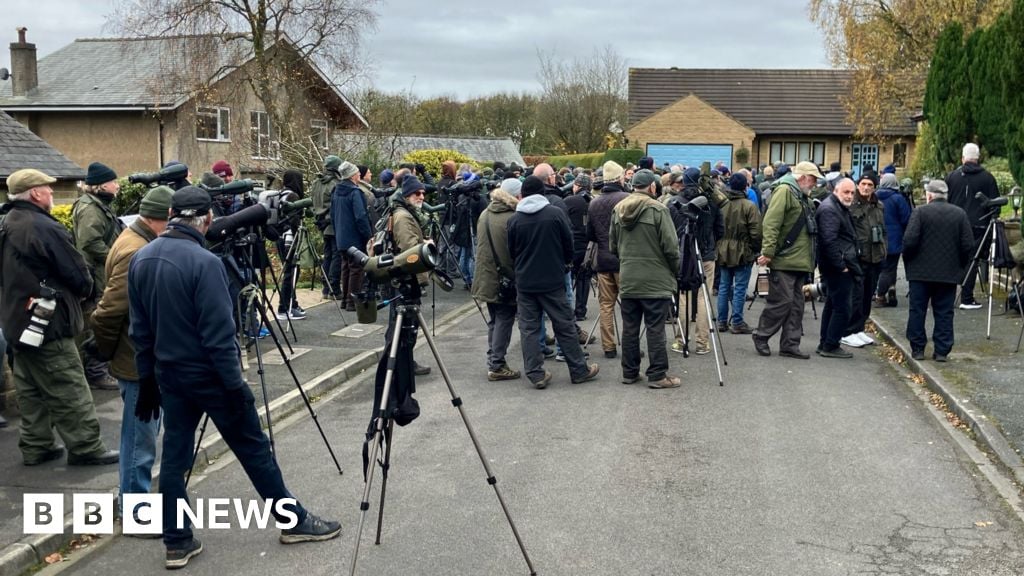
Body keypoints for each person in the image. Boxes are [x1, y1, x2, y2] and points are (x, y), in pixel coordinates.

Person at [128, 186, 341, 569]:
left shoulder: (142, 258)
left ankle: (176, 541)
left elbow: (140, 330)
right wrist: (234, 385)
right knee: (253, 450)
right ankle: (292, 521)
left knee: (174, 459)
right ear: (207, 220)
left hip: (169, 375)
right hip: (210, 376)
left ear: (173, 214)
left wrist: (147, 380)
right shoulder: (204, 263)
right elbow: (219, 336)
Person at [0, 169, 119, 466]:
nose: (53, 194)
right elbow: (76, 272)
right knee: (68, 384)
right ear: (36, 194)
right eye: (48, 189)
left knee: (31, 389)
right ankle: (86, 447)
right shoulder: (41, 227)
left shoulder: (7, 223)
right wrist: (87, 290)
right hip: (48, 321)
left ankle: (36, 445)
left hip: (17, 319)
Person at [90, 186, 173, 525]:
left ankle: (136, 501)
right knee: (140, 441)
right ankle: (135, 509)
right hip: (135, 359)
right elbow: (110, 311)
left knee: (141, 436)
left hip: (134, 355)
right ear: (162, 219)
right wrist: (108, 351)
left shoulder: (134, 240)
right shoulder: (135, 250)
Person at [507, 176, 600, 389]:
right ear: (542, 192)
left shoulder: (515, 219)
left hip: (526, 281)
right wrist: (565, 263)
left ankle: (535, 373)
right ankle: (578, 369)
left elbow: (511, 251)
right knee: (564, 325)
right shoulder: (555, 214)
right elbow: (568, 244)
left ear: (523, 194)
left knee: (529, 328)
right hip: (552, 279)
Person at [609, 170, 681, 389]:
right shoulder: (659, 210)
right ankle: (658, 375)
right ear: (652, 187)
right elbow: (671, 247)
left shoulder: (618, 210)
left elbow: (613, 246)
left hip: (629, 277)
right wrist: (674, 271)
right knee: (655, 328)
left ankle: (629, 372)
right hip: (655, 279)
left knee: (630, 328)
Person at [752, 161, 820, 359]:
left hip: (799, 260)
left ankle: (790, 344)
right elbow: (771, 223)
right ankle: (762, 336)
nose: (815, 183)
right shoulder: (785, 191)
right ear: (803, 177)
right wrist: (768, 251)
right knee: (782, 302)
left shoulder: (800, 195)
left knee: (797, 305)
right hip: (785, 259)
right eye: (814, 179)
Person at [903, 180, 974, 362]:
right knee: (944, 311)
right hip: (948, 273)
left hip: (920, 272)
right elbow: (968, 245)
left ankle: (918, 348)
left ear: (928, 195)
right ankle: (942, 350)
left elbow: (909, 241)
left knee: (917, 310)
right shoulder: (959, 214)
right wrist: (960, 266)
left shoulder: (920, 212)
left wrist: (909, 262)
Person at [73, 161, 126, 390]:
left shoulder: (99, 205)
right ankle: (96, 372)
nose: (117, 186)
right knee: (99, 321)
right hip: (97, 274)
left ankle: (99, 369)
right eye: (113, 182)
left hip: (102, 272)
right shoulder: (90, 209)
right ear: (100, 185)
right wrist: (115, 256)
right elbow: (90, 242)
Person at [668, 167, 724, 355]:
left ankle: (681, 339)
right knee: (703, 297)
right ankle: (702, 343)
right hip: (706, 254)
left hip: (682, 253)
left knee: (683, 296)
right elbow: (721, 230)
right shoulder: (711, 202)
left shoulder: (673, 202)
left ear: (683, 181)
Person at [471, 178, 522, 381]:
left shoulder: (485, 214)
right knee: (504, 318)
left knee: (495, 319)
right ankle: (497, 364)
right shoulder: (512, 217)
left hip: (486, 276)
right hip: (504, 278)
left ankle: (493, 357)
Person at [944, 143, 1000, 309]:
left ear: (962, 158)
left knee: (952, 258)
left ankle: (945, 295)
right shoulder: (988, 178)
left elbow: (944, 199)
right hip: (978, 224)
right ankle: (966, 298)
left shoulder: (951, 177)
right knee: (972, 260)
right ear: (978, 158)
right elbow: (995, 204)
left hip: (953, 223)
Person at [390, 176, 433, 376]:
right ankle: (403, 363)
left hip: (407, 277)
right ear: (407, 195)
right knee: (405, 324)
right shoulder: (403, 217)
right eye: (417, 193)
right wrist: (427, 246)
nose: (421, 196)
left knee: (406, 324)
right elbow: (409, 250)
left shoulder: (405, 213)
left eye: (423, 192)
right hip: (407, 277)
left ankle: (405, 361)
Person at [587, 161, 630, 358]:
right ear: (620, 178)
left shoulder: (594, 203)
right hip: (624, 260)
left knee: (606, 305)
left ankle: (609, 346)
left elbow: (591, 234)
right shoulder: (627, 200)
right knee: (630, 305)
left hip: (603, 260)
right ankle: (631, 345)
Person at [816, 178, 859, 358]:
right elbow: (828, 240)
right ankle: (830, 344)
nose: (849, 196)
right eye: (846, 192)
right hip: (837, 265)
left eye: (851, 193)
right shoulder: (830, 209)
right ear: (836, 191)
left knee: (833, 304)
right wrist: (841, 266)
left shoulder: (836, 207)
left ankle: (826, 342)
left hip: (837, 263)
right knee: (842, 307)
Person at [843, 172, 887, 348]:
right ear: (858, 185)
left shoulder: (879, 205)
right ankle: (848, 330)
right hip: (858, 257)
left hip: (875, 256)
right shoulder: (852, 205)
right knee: (856, 296)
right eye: (863, 184)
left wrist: (885, 249)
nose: (866, 187)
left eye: (870, 184)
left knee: (868, 295)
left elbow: (883, 230)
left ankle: (859, 328)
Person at [717, 173, 762, 334]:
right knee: (740, 287)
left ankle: (722, 321)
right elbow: (756, 232)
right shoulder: (749, 206)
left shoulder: (722, 204)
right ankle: (737, 321)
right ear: (745, 187)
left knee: (724, 286)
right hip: (743, 250)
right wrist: (756, 249)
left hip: (723, 248)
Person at [332, 161, 372, 313]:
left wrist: (337, 233)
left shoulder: (336, 190)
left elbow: (332, 214)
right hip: (354, 236)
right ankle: (352, 301)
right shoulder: (355, 192)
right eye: (356, 173)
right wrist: (368, 236)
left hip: (341, 236)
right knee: (356, 268)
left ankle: (345, 299)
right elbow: (361, 216)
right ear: (351, 175)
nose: (359, 175)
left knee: (346, 267)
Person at [272, 169, 307, 320]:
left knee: (289, 270)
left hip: (280, 237)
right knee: (291, 272)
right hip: (289, 238)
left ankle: (292, 304)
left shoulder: (281, 193)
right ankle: (284, 307)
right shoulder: (292, 196)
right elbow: (293, 220)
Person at [310, 156, 344, 301]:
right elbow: (337, 205)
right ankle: (334, 289)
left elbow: (312, 201)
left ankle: (325, 288)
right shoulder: (336, 183)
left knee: (328, 255)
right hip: (333, 222)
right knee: (336, 255)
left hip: (321, 222)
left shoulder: (316, 183)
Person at [875, 172, 912, 307]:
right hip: (894, 238)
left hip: (876, 238)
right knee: (890, 268)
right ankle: (881, 296)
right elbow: (906, 218)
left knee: (882, 268)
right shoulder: (898, 198)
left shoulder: (874, 197)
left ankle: (891, 290)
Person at [565, 174, 593, 321]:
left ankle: (568, 310)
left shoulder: (569, 201)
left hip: (573, 244)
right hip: (588, 245)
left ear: (577, 185)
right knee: (584, 278)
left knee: (569, 277)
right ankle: (581, 310)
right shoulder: (593, 201)